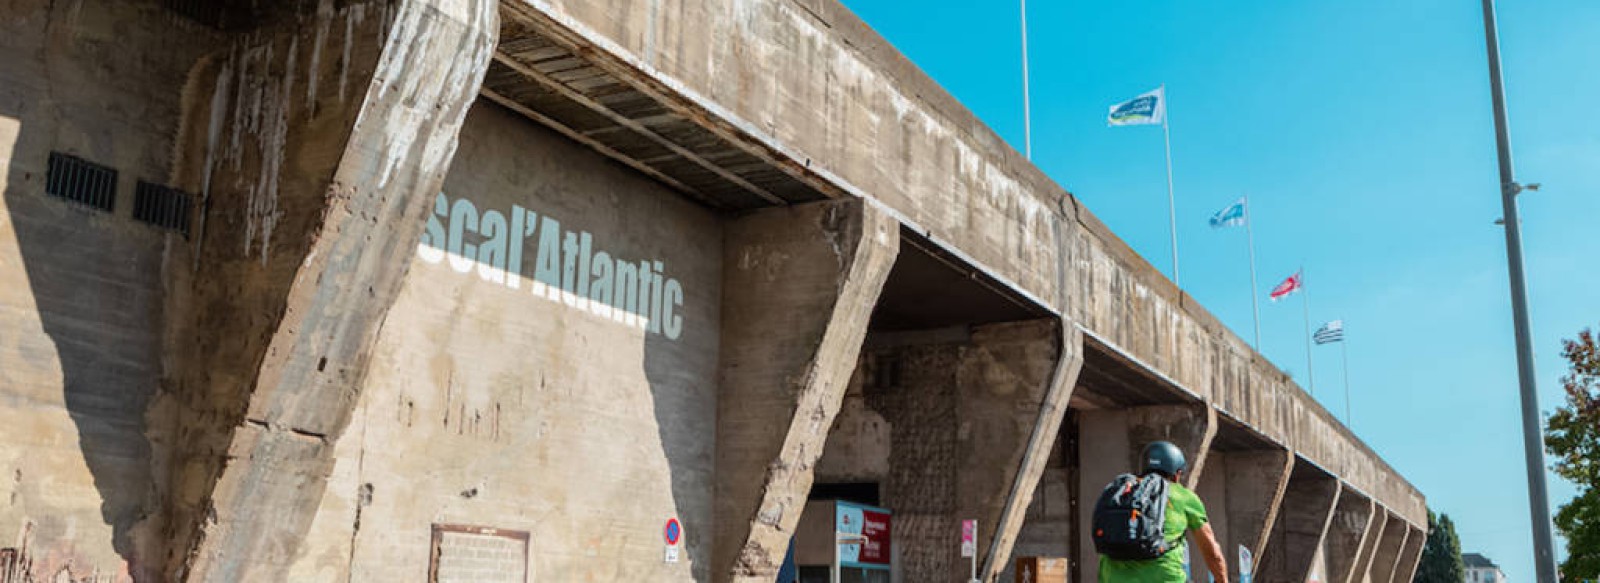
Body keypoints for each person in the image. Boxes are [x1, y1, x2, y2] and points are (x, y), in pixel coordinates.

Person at [1099, 441, 1229, 583]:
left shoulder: (1123, 492)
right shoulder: (1183, 496)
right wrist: (1221, 579)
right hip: (1164, 577)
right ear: (1176, 474)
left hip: (1112, 577)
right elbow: (1212, 552)